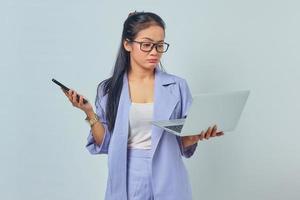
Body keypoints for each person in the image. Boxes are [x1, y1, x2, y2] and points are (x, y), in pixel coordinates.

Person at [63, 11, 224, 200]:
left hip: (169, 174)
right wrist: (89, 111)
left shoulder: (177, 86)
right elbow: (105, 143)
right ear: (127, 44)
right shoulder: (109, 90)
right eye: (147, 45)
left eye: (160, 45)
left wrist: (196, 135)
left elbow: (180, 142)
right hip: (128, 175)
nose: (154, 52)